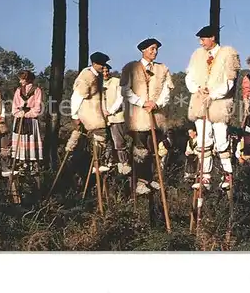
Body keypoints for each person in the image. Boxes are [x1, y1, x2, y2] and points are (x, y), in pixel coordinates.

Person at [185, 25, 241, 191]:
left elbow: (229, 81)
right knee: (203, 139)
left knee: (221, 139)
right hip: (200, 101)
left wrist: (214, 94)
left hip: (218, 103)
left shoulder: (228, 53)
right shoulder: (197, 55)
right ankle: (205, 176)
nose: (201, 43)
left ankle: (227, 174)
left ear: (212, 38)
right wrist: (197, 88)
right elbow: (190, 76)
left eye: (203, 39)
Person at [120, 38, 175, 195]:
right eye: (152, 49)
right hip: (138, 116)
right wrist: (142, 102)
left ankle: (151, 178)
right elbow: (125, 90)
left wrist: (156, 104)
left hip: (155, 116)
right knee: (140, 149)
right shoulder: (131, 68)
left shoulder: (162, 69)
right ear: (143, 50)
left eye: (156, 49)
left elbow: (166, 91)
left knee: (153, 148)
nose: (155, 52)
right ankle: (140, 181)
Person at [69, 52, 111, 172]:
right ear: (93, 63)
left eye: (104, 64)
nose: (103, 67)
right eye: (100, 64)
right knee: (97, 136)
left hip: (97, 112)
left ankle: (96, 163)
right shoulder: (86, 76)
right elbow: (77, 97)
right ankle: (91, 164)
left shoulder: (98, 76)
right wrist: (75, 115)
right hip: (87, 113)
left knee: (100, 138)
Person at [10, 70, 43, 176]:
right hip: (20, 118)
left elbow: (37, 107)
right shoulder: (18, 91)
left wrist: (28, 114)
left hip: (31, 119)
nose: (20, 81)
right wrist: (19, 113)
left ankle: (32, 164)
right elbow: (14, 106)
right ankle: (21, 164)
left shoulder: (37, 90)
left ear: (28, 79)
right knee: (20, 142)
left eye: (22, 79)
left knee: (30, 139)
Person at [101, 64, 132, 175]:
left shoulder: (116, 81)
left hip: (116, 116)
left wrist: (111, 111)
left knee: (119, 141)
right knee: (103, 141)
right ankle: (106, 162)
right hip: (101, 117)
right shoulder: (97, 83)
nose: (105, 73)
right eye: (103, 71)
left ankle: (124, 163)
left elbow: (120, 98)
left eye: (107, 71)